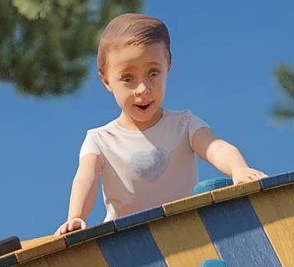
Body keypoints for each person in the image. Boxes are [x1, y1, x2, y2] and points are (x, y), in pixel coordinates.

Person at [57, 14, 266, 232]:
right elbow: (86, 177)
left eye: (153, 73)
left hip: (183, 229)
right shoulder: (100, 140)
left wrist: (239, 169)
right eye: (128, 78)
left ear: (168, 67)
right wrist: (76, 216)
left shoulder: (183, 125)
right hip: (124, 239)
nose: (143, 89)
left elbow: (215, 147)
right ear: (106, 81)